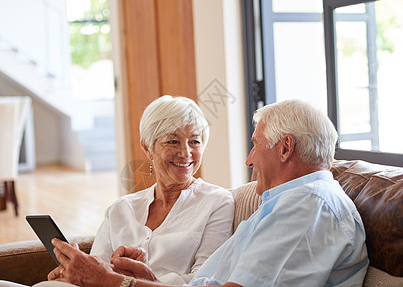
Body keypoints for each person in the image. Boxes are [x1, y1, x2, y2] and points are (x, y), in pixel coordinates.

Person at [45, 99, 369, 287]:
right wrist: (146, 278)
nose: (248, 159)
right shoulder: (287, 205)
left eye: (255, 144)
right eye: (172, 141)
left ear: (285, 148)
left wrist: (115, 282)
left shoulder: (309, 208)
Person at [0, 95, 234, 287]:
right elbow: (94, 273)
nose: (186, 153)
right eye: (173, 141)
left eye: (195, 141)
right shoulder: (121, 209)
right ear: (148, 149)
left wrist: (147, 279)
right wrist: (72, 272)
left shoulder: (217, 202)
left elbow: (205, 280)